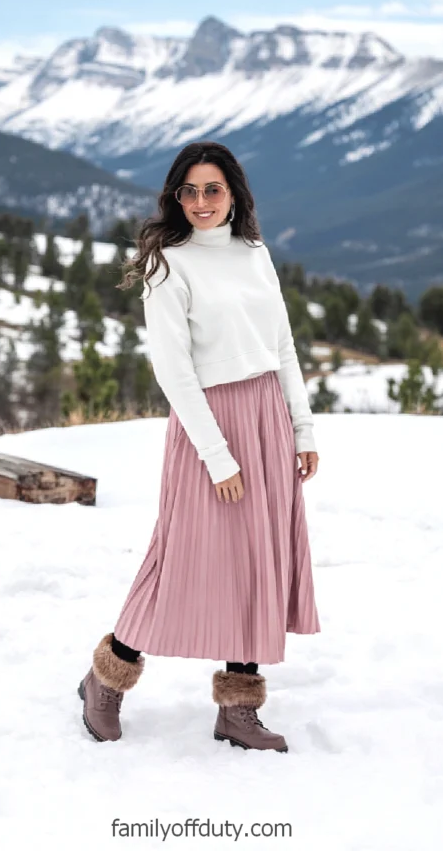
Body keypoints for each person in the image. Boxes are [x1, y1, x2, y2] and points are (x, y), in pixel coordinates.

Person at [78, 140, 321, 753]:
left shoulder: (255, 253)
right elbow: (174, 371)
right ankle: (105, 680)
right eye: (190, 191)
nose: (201, 201)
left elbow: (283, 346)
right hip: (206, 424)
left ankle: (238, 710)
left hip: (266, 413)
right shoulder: (169, 264)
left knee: (257, 559)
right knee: (180, 554)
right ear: (175, 198)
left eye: (213, 189)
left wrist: (302, 428)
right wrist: (217, 455)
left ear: (235, 194)